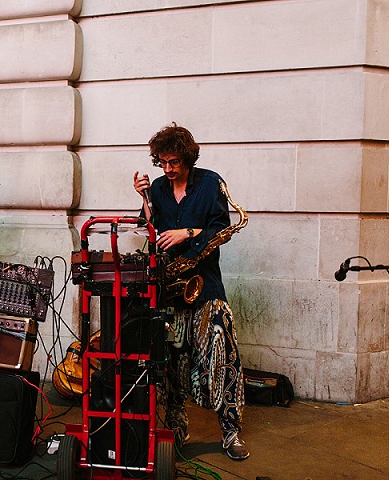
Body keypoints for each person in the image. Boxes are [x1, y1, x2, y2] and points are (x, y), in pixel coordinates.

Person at [133, 123, 249, 460]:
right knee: (170, 364)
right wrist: (142, 198)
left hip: (205, 284)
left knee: (222, 356)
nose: (168, 169)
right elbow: (148, 228)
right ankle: (176, 429)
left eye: (174, 163)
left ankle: (231, 431)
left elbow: (221, 227)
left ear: (188, 159)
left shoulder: (211, 183)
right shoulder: (157, 187)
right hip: (170, 289)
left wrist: (187, 233)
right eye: (162, 163)